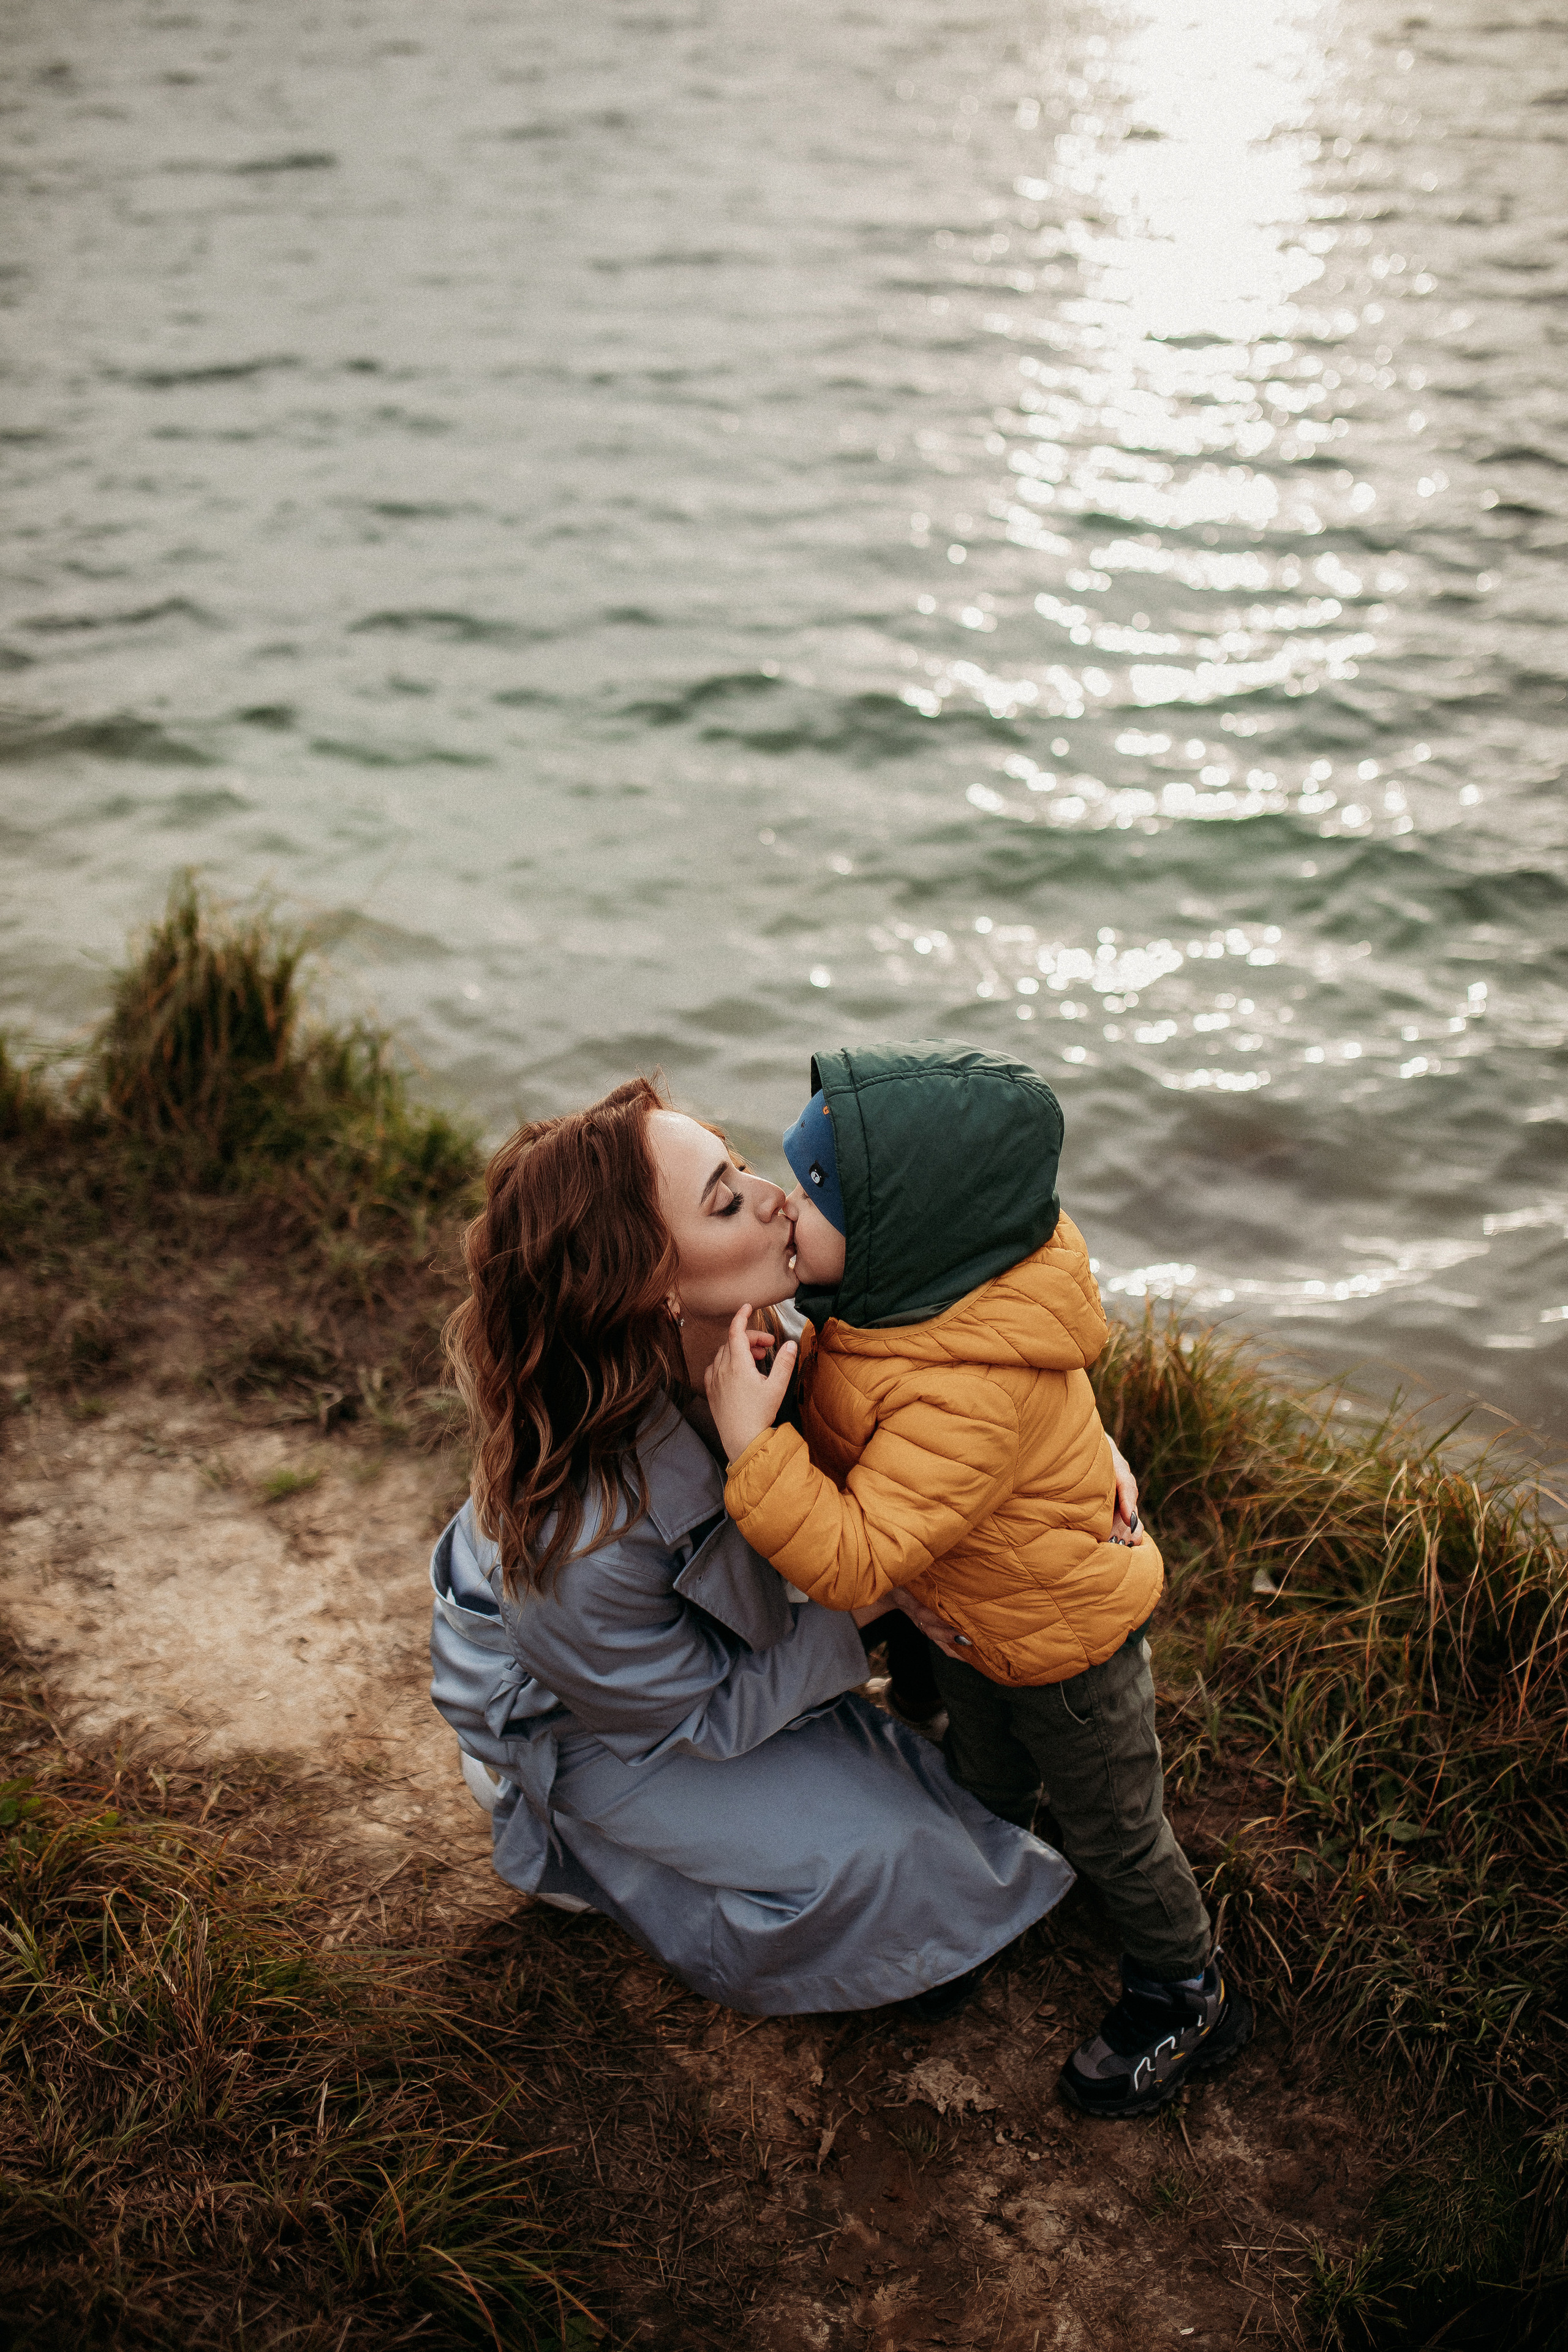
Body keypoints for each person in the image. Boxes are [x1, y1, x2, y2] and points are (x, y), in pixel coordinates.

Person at [428, 1075, 1074, 2017]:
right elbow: (686, 1719)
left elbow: (957, 1368)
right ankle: (550, 1818)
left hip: (689, 1639)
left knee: (937, 1798)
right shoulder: (582, 1539)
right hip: (605, 1712)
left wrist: (1079, 1443)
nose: (777, 1196)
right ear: (653, 1287)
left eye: (738, 1165)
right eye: (727, 1200)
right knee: (890, 1866)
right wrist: (871, 1606)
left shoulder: (757, 1322)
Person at [704, 1041, 1252, 2113]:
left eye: (805, 1193)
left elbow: (861, 1552)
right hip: (973, 1623)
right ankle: (982, 1907)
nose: (774, 1204)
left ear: (893, 1236)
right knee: (985, 1777)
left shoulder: (964, 1386)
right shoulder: (901, 1303)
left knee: (1113, 1827)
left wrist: (749, 1450)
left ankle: (1184, 1987)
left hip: (1061, 1647)